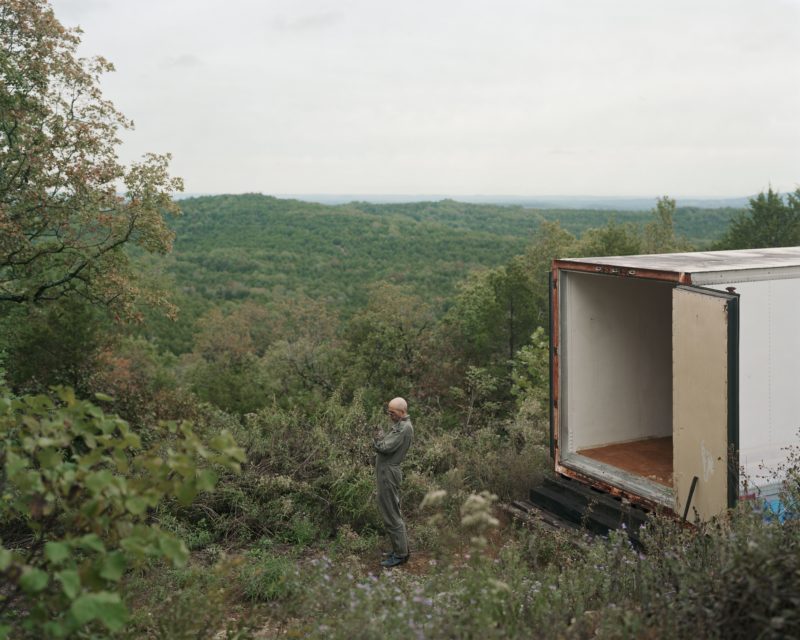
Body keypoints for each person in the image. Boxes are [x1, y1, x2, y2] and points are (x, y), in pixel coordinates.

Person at [374, 396, 414, 568]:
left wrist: (377, 438)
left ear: (402, 411)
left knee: (391, 514)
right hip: (387, 472)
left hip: (388, 473)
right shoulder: (401, 425)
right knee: (391, 511)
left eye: (393, 412)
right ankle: (399, 549)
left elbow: (384, 447)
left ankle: (400, 554)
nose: (389, 415)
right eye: (388, 412)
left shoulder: (403, 428)